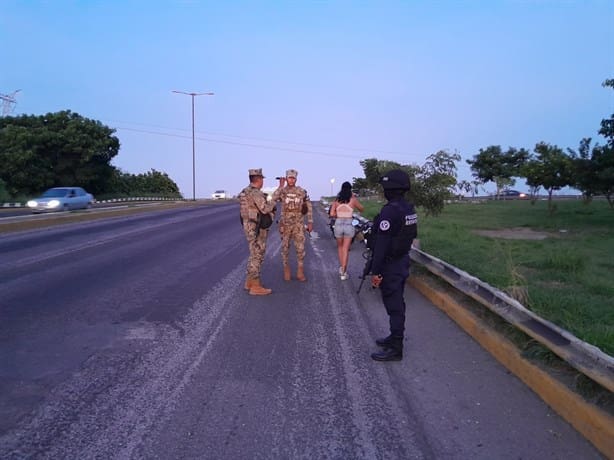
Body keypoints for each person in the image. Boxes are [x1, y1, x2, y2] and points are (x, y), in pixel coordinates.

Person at [369, 169, 418, 361]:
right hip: (402, 260)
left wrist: (376, 271)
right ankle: (393, 337)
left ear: (390, 188)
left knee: (394, 304)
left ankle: (396, 347)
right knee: (397, 302)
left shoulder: (390, 211)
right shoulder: (408, 209)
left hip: (390, 265)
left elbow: (381, 244)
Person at [238, 168, 277, 296]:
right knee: (257, 254)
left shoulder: (245, 191)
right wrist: (273, 202)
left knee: (253, 252)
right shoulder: (256, 193)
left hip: (248, 225)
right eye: (262, 180)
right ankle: (255, 286)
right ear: (259, 179)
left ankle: (249, 282)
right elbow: (264, 209)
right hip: (255, 227)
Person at [272, 169, 313, 282]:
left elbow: (308, 206)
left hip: (298, 224)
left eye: (293, 178)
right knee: (285, 248)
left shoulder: (301, 191)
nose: (291, 180)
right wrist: (280, 186)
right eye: (289, 177)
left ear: (296, 179)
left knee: (300, 248)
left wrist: (310, 221)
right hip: (285, 225)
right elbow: (274, 198)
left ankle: (300, 270)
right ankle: (286, 269)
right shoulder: (282, 191)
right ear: (286, 178)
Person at [328, 181, 364, 280]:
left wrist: (339, 213)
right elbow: (362, 209)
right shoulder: (353, 200)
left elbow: (331, 214)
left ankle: (341, 267)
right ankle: (344, 272)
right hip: (349, 224)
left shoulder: (336, 200)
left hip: (338, 223)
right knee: (346, 248)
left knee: (340, 247)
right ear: (350, 189)